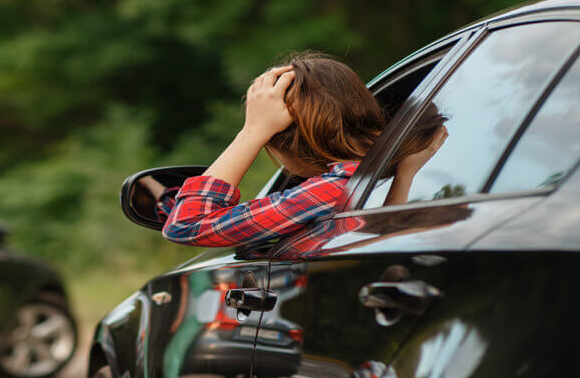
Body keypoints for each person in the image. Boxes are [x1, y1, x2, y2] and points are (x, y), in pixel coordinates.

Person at [159, 52, 447, 247]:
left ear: (284, 143)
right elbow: (386, 237)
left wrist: (252, 132)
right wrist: (405, 174)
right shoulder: (371, 177)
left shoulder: (332, 190)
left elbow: (186, 224)